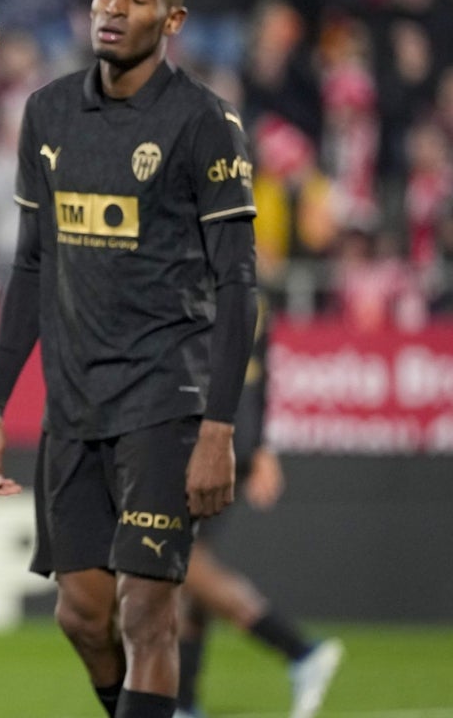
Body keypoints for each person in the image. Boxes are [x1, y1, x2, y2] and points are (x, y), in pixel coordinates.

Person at [0, 0, 257, 718]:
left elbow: (238, 284)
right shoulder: (49, 112)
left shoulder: (201, 122)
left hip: (165, 402)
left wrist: (219, 428)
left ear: (173, 19)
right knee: (83, 616)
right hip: (73, 409)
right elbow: (30, 267)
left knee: (147, 614)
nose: (115, 7)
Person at [176, 297, 343, 718]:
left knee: (178, 560)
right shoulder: (246, 277)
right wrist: (262, 443)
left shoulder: (199, 269)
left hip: (209, 432)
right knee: (188, 571)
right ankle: (184, 703)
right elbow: (261, 367)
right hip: (235, 429)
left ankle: (299, 650)